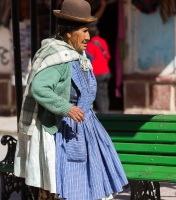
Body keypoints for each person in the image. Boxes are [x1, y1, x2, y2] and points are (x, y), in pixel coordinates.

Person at [14, 0, 128, 199]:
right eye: (84, 31)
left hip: (85, 129)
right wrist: (67, 108)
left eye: (88, 30)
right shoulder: (59, 57)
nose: (88, 37)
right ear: (68, 32)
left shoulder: (80, 57)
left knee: (90, 185)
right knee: (70, 186)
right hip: (64, 131)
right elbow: (40, 87)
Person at [86, 25, 111, 113]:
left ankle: (104, 116)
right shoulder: (103, 41)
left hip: (97, 73)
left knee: (98, 95)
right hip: (106, 71)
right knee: (104, 94)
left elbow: (89, 60)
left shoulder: (90, 45)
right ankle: (106, 113)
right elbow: (108, 56)